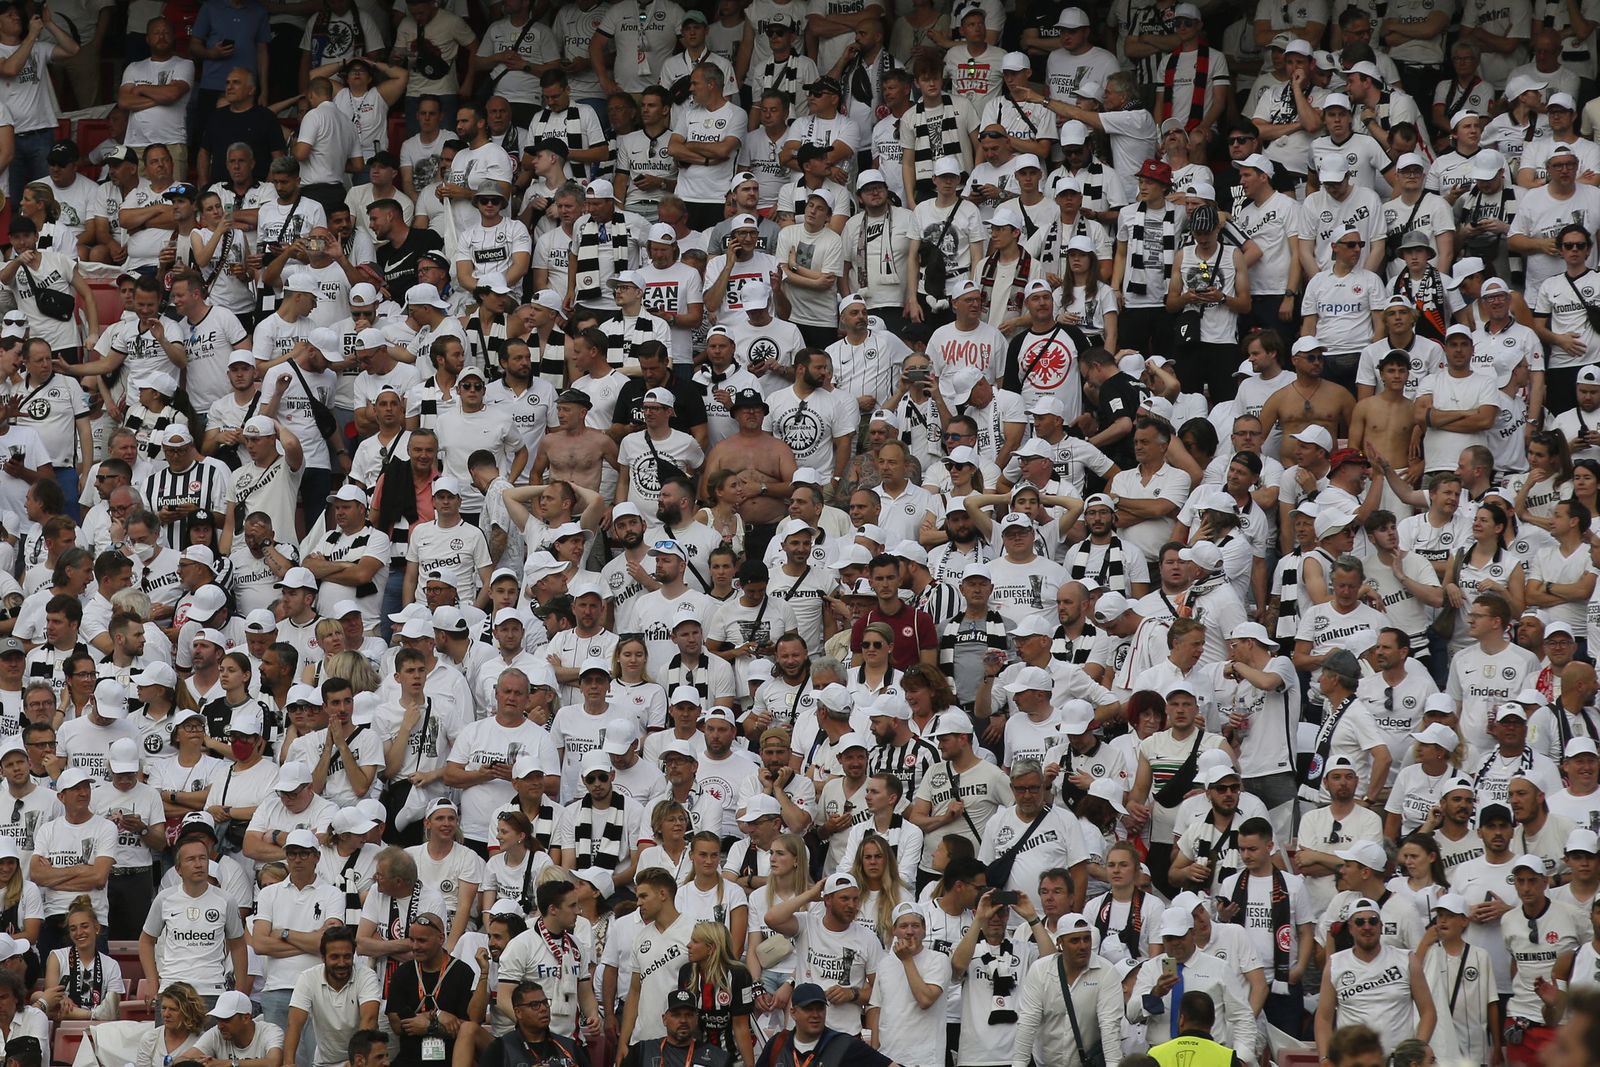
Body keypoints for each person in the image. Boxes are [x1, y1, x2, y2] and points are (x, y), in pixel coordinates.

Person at [283, 927, 382, 1067]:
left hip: (361, 1060)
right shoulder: (308, 978)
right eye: (335, 957)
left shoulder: (366, 976)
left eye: (347, 956)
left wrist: (354, 1061)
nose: (341, 963)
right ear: (323, 958)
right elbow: (294, 1024)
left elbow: (369, 1019)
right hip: (324, 1062)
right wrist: (288, 1063)